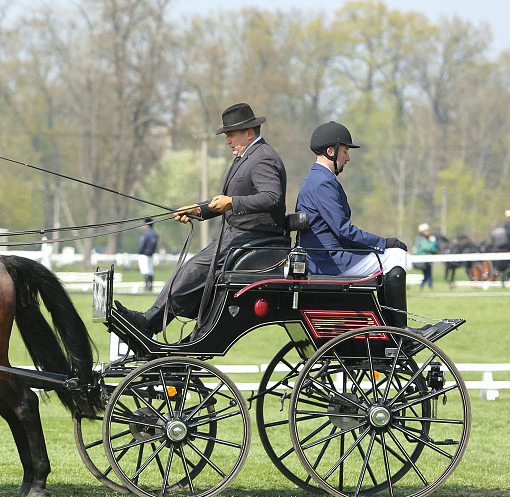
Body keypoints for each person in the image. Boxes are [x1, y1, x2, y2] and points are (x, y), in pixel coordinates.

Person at [114, 102, 288, 335]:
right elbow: (228, 200)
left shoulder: (262, 157)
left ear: (249, 133)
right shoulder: (247, 157)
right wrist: (198, 209)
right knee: (190, 270)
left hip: (253, 238)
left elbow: (271, 197)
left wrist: (232, 202)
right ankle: (159, 323)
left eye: (231, 135)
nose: (227, 141)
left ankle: (149, 323)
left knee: (193, 270)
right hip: (239, 237)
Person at [296, 121, 447, 338]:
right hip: (330, 262)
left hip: (325, 258)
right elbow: (343, 231)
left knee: (390, 255)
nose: (347, 158)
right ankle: (399, 329)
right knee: (396, 255)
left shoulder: (316, 180)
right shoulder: (322, 183)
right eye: (345, 151)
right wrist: (384, 243)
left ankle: (389, 326)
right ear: (331, 151)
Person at [136, 217, 158, 291]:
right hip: (151, 254)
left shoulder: (145, 233)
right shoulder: (155, 234)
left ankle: (147, 286)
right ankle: (151, 286)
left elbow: (142, 244)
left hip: (144, 254)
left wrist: (139, 252)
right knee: (150, 270)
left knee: (145, 270)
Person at [414, 223, 439, 289]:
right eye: (427, 230)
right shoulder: (422, 239)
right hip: (424, 260)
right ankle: (426, 287)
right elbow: (428, 248)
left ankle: (426, 287)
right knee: (427, 275)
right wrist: (434, 244)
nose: (428, 232)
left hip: (426, 260)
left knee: (427, 275)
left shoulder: (423, 238)